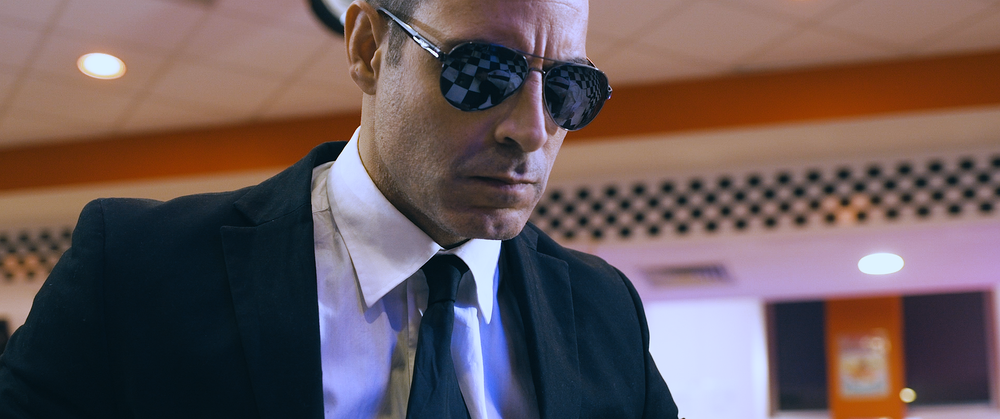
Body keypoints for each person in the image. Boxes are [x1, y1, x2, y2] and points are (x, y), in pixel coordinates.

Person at [0, 0, 679, 417]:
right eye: (483, 71)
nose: (531, 130)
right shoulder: (136, 271)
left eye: (566, 87)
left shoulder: (604, 311)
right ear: (368, 48)